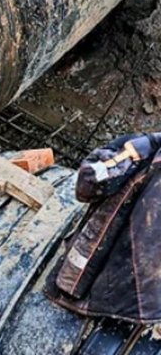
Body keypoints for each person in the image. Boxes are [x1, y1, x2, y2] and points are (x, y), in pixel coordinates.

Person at [46, 132, 161, 323]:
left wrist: (119, 150)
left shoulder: (144, 150)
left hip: (98, 294)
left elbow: (87, 185)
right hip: (152, 307)